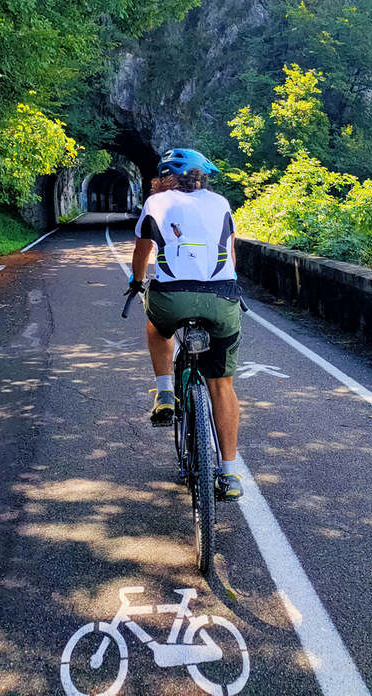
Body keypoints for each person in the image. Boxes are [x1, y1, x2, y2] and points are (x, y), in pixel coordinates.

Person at [125, 148, 244, 501]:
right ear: (201, 177)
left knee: (155, 326)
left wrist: (136, 281)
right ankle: (230, 475)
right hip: (223, 299)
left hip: (172, 298)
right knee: (222, 386)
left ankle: (164, 394)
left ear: (166, 177)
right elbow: (230, 255)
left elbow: (143, 253)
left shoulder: (155, 203)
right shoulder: (222, 203)